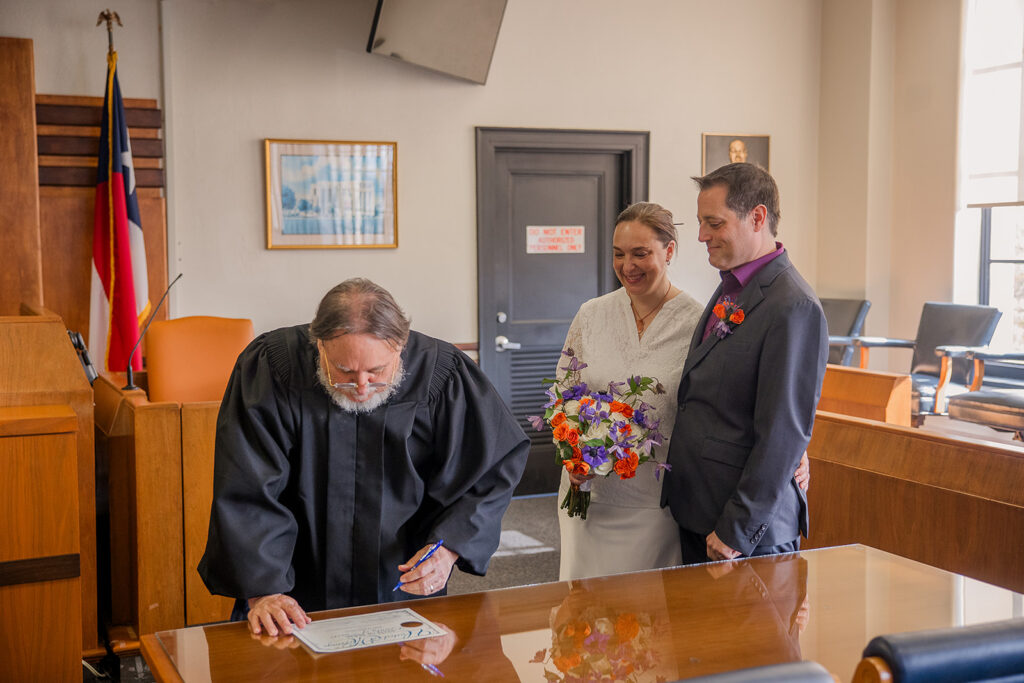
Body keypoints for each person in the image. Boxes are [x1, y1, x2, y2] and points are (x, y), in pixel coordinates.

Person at [198, 278, 530, 636]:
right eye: (343, 371)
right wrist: (263, 589)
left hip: (401, 578)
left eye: (376, 372)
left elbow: (490, 469)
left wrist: (449, 548)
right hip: (292, 586)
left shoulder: (442, 372)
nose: (360, 386)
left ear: (400, 346)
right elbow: (247, 483)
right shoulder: (273, 368)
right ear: (320, 344)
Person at [556, 202, 808, 580]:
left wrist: (800, 449)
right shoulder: (590, 314)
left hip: (658, 501)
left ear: (669, 251)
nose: (628, 266)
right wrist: (571, 452)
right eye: (619, 254)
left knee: (646, 623)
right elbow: (565, 394)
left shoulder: (701, 321)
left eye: (641, 253)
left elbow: (743, 395)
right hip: (590, 495)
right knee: (585, 613)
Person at [662, 162, 828, 565]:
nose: (701, 236)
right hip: (702, 508)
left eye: (713, 223)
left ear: (757, 217)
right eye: (701, 223)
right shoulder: (732, 289)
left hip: (744, 535)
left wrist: (737, 528)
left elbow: (783, 433)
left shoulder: (793, 306)